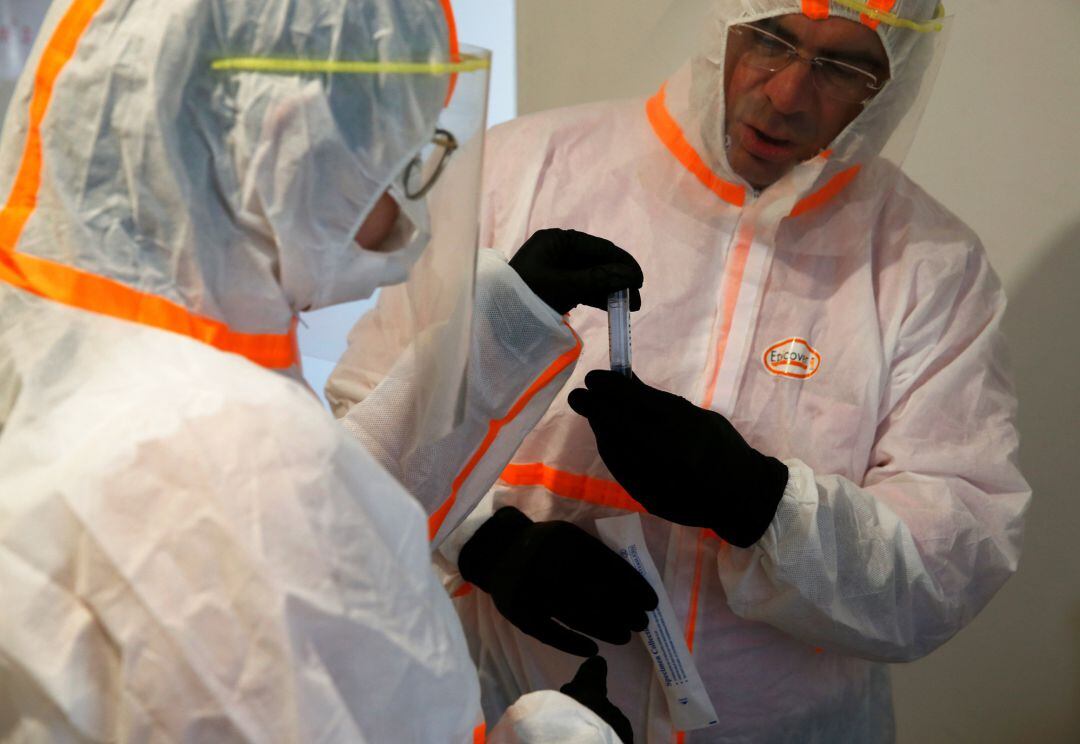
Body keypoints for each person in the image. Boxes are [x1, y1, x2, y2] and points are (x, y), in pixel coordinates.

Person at [0, 0, 651, 741]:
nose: (408, 213)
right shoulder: (227, 446)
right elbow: (282, 518)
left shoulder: (70, 332)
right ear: (290, 142)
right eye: (405, 158)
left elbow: (316, 531)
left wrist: (503, 326)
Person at [419, 1, 1031, 742]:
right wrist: (484, 542)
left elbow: (952, 562)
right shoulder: (522, 170)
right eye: (772, 39)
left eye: (842, 66)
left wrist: (760, 501)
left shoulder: (927, 268)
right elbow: (372, 413)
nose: (786, 95)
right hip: (499, 705)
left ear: (893, 82)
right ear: (724, 25)